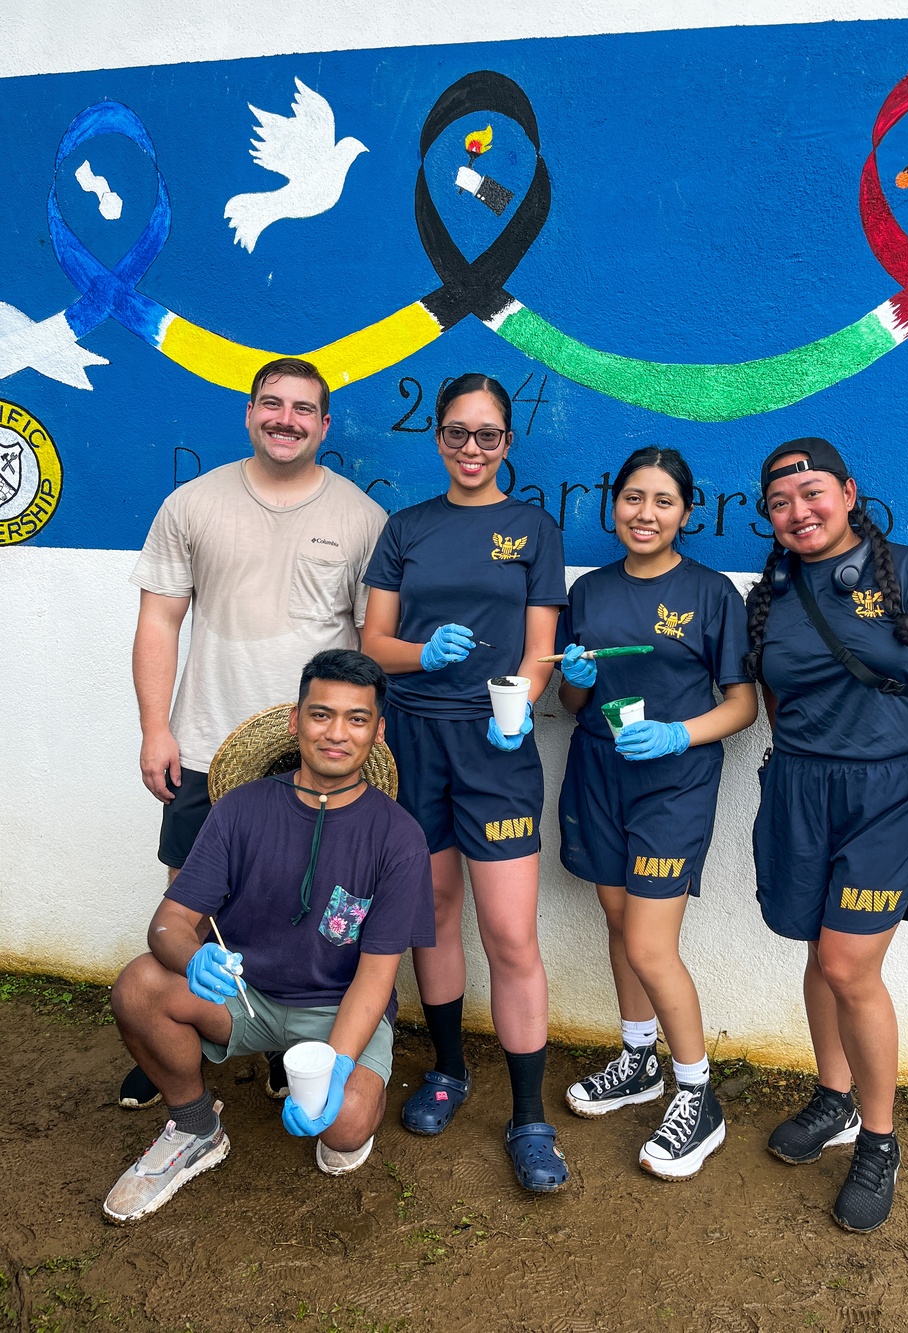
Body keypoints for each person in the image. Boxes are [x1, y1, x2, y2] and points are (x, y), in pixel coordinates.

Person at [123, 357, 386, 1108]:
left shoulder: (360, 517)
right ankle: (178, 1042)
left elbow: (368, 646)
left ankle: (280, 1045)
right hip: (205, 743)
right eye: (272, 404)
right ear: (249, 412)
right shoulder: (192, 504)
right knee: (188, 900)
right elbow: (158, 623)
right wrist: (155, 729)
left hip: (313, 762)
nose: (286, 419)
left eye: (304, 408)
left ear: (325, 425)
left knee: (291, 906)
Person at [103, 649, 435, 1223]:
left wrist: (337, 1064)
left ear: (378, 732)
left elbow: (377, 975)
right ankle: (195, 1128)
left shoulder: (399, 837)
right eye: (320, 714)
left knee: (347, 1127)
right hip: (244, 996)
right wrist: (194, 955)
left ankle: (334, 1096)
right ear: (295, 721)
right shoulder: (240, 808)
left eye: (357, 719)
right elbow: (168, 924)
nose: (336, 733)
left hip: (337, 1006)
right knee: (138, 986)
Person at [746, 437, 908, 1233]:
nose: (799, 511)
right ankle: (834, 1098)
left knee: (849, 963)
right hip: (804, 788)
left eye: (813, 493)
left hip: (894, 793)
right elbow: (777, 698)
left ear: (848, 491)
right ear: (769, 516)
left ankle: (879, 1140)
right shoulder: (772, 592)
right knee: (818, 947)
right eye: (781, 502)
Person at [361, 373, 570, 1192]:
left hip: (495, 744)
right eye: (458, 433)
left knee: (511, 935)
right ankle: (448, 1069)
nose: (472, 448)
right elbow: (373, 640)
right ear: (438, 438)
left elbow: (541, 645)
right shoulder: (405, 528)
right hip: (413, 740)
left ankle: (530, 1117)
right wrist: (422, 655)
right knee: (434, 914)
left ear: (508, 443)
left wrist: (520, 704)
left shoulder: (533, 529)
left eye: (488, 435)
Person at [555, 446, 757, 1178]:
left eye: (662, 501)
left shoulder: (713, 593)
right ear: (613, 505)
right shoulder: (591, 591)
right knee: (619, 923)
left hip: (674, 781)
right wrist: (574, 681)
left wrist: (679, 732)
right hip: (598, 772)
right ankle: (637, 1059)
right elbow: (568, 700)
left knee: (648, 943)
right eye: (632, 498)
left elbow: (743, 704)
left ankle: (697, 1092)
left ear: (687, 512)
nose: (645, 513)